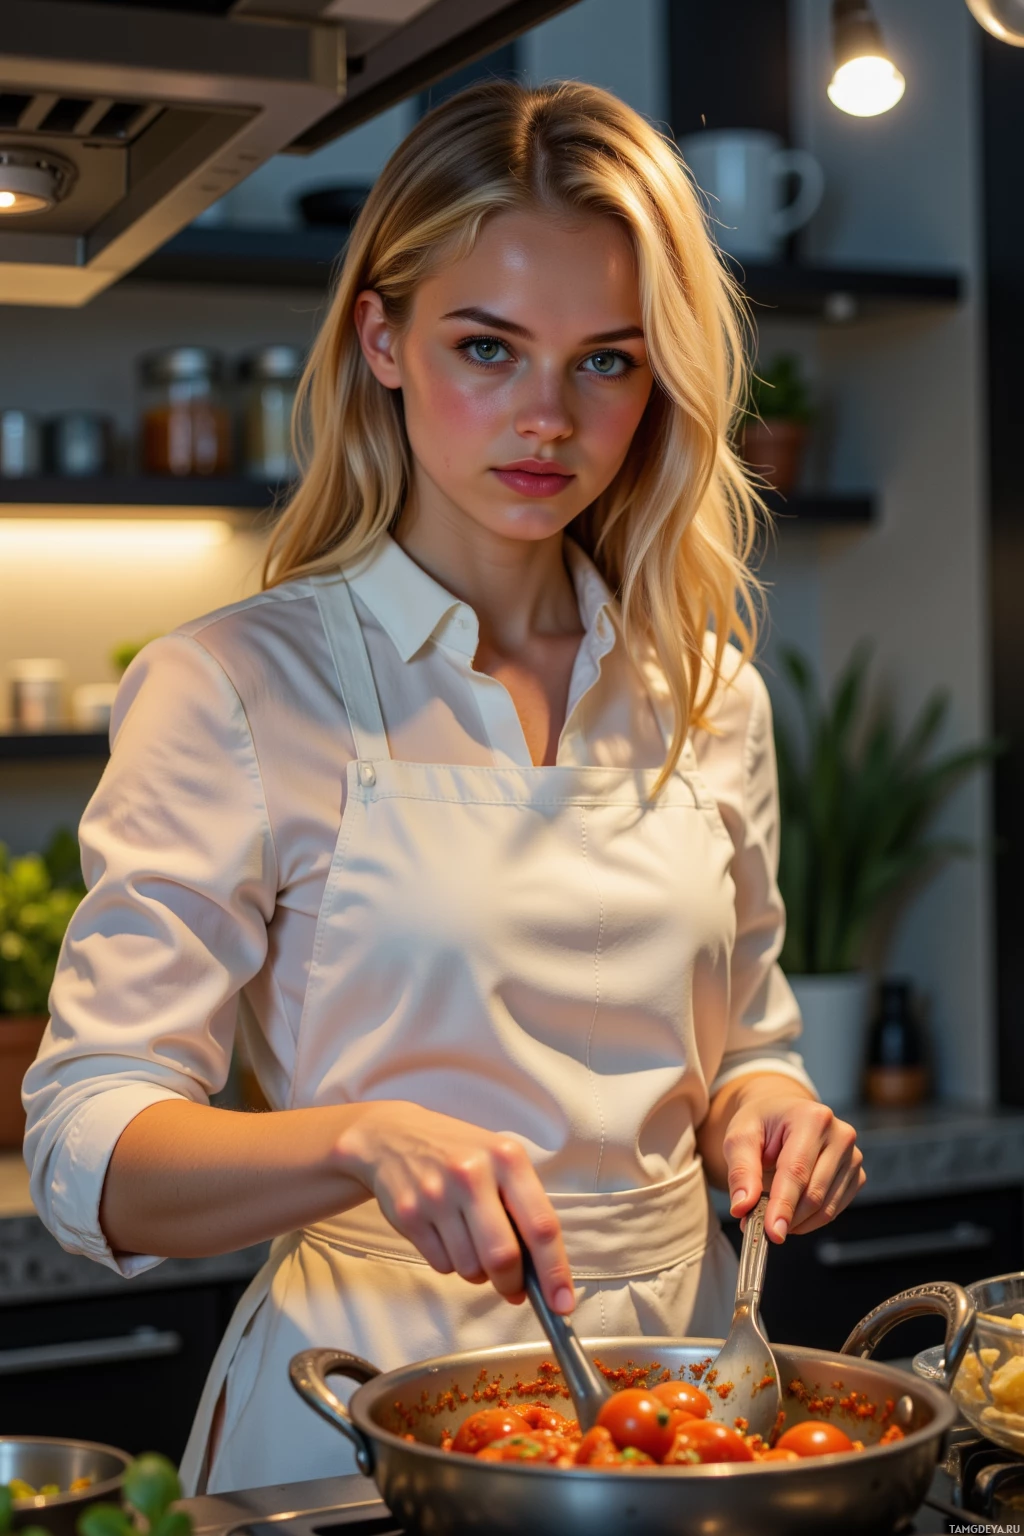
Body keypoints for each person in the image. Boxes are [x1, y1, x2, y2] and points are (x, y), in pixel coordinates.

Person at [23, 79, 864, 1494]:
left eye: (606, 361)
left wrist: (763, 1108)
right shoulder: (237, 686)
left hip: (691, 1409)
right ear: (384, 338)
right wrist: (360, 1142)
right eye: (489, 347)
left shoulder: (706, 689)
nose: (549, 420)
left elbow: (745, 1043)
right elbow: (86, 1147)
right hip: (366, 1415)